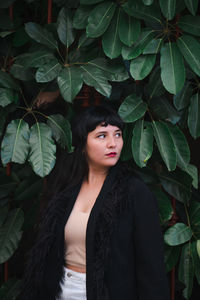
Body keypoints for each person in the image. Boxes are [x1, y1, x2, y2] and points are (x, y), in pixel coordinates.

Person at [21, 104, 170, 300]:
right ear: (83, 145)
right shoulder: (66, 189)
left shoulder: (133, 192)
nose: (113, 144)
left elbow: (151, 267)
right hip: (60, 290)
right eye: (102, 136)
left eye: (117, 134)